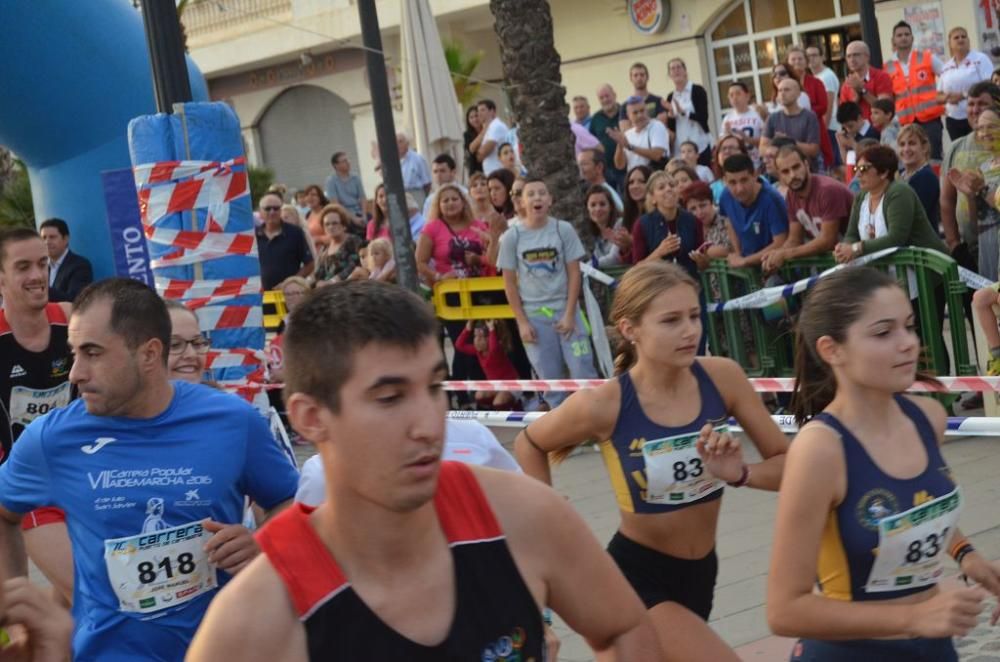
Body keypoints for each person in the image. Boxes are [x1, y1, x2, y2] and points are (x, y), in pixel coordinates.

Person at [186, 281, 664, 662]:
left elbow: (624, 627)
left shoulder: (522, 516)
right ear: (311, 418)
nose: (427, 424)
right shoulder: (257, 617)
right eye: (390, 397)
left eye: (434, 387)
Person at [0, 278, 299, 661]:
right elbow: (5, 512)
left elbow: (290, 502)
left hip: (224, 648)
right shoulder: (53, 439)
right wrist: (13, 608)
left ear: (148, 354)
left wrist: (264, 544)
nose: (75, 373)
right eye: (74, 353)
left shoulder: (232, 421)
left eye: (92, 353)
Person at [514, 260, 786, 658]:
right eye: (671, 320)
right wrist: (545, 511)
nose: (690, 330)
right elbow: (529, 442)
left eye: (694, 316)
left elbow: (788, 464)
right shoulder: (604, 405)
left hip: (700, 573)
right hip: (632, 578)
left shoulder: (722, 378)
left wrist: (742, 473)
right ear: (630, 329)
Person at [768, 267, 1000, 661]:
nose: (908, 343)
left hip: (934, 646)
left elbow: (912, 505)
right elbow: (784, 610)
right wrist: (913, 618)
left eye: (908, 327)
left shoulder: (928, 418)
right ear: (831, 350)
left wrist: (966, 554)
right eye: (883, 333)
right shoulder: (821, 449)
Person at [0, 228, 76, 603]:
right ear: (1, 277)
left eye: (43, 264)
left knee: (73, 608)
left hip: (81, 478)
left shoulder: (72, 321)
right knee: (87, 593)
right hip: (23, 488)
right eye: (23, 266)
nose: (36, 275)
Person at [498, 177, 598, 408]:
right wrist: (522, 322)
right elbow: (509, 283)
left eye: (542, 193)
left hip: (566, 309)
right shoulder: (512, 237)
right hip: (534, 315)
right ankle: (561, 430)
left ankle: (593, 420)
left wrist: (570, 313)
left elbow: (574, 273)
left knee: (582, 367)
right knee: (549, 378)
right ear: (521, 203)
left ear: (550, 199)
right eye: (530, 194)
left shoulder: (563, 230)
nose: (537, 198)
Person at [836, 145, 948, 263]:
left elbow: (895, 239)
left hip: (927, 268)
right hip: (890, 272)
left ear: (884, 172)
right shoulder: (861, 197)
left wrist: (856, 248)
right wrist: (844, 248)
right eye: (856, 169)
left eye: (864, 168)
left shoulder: (899, 192)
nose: (858, 174)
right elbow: (851, 234)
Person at [762, 145, 853, 272]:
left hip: (855, 257)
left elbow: (828, 240)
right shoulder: (791, 195)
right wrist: (775, 254)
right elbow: (794, 239)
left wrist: (786, 254)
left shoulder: (827, 190)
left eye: (796, 167)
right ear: (779, 176)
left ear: (806, 165)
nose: (792, 175)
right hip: (834, 262)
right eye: (785, 171)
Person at [940, 82, 1000, 266]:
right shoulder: (957, 148)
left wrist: (981, 189)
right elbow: (947, 200)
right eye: (970, 104)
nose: (975, 110)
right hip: (976, 247)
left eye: (981, 104)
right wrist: (954, 243)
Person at [887, 20, 945, 161]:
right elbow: (889, 97)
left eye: (907, 34)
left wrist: (943, 98)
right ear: (893, 40)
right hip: (905, 122)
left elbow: (947, 76)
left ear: (912, 38)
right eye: (899, 35)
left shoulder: (927, 57)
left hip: (930, 120)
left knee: (933, 158)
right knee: (911, 160)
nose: (903, 37)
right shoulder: (888, 67)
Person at [719, 153, 789, 268]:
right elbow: (729, 222)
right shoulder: (725, 196)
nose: (739, 189)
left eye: (744, 180)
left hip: (774, 267)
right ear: (725, 181)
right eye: (732, 182)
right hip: (747, 267)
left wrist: (745, 261)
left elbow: (781, 241)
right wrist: (738, 253)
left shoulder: (772, 199)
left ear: (755, 175)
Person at [632, 172, 700, 279]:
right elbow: (637, 269)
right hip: (658, 287)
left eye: (672, 185)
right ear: (653, 198)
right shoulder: (642, 224)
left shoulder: (692, 220)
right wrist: (659, 252)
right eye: (661, 187)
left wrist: (702, 259)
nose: (668, 189)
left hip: (689, 284)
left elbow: (703, 265)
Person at [939, 27, 994, 141]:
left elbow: (990, 85)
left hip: (978, 115)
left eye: (964, 36)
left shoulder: (980, 59)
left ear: (968, 41)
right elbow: (938, 95)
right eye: (956, 37)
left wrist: (963, 95)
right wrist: (948, 98)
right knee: (962, 154)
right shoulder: (946, 67)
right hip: (954, 120)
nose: (960, 39)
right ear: (950, 43)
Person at [454, 320, 520, 409]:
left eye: (481, 337)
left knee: (498, 402)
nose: (477, 340)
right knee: (479, 395)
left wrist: (492, 330)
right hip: (495, 386)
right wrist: (467, 329)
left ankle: (516, 405)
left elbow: (493, 348)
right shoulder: (478, 351)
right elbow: (459, 345)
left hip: (511, 385)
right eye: (475, 336)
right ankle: (493, 412)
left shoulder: (496, 350)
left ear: (489, 339)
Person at [255, 192, 314, 291]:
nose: (272, 212)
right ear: (260, 212)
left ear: (281, 211)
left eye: (276, 208)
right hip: (260, 296)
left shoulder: (295, 233)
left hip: (288, 295)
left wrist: (290, 283)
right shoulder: (253, 236)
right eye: (268, 209)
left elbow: (310, 265)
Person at [787, 45, 833, 169]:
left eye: (800, 59)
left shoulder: (816, 83)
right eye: (793, 59)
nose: (797, 62)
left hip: (814, 128)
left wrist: (801, 112)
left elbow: (823, 107)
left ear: (806, 62)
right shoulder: (784, 85)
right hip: (791, 130)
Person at [762, 78, 821, 172]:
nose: (782, 93)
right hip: (779, 171)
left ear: (798, 94)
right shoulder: (772, 118)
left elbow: (813, 150)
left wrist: (787, 141)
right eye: (780, 90)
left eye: (787, 90)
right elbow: (762, 149)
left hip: (805, 170)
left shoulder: (809, 117)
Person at [666, 58, 713, 165]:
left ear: (685, 71)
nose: (676, 70)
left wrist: (684, 113)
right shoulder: (670, 97)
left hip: (700, 144)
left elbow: (703, 117)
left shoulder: (697, 90)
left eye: (679, 67)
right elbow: (672, 127)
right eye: (672, 69)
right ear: (670, 75)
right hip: (681, 147)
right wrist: (671, 117)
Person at [682, 180, 732, 274]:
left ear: (711, 202)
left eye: (703, 205)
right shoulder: (688, 228)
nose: (699, 212)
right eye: (693, 209)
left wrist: (706, 252)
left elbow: (730, 249)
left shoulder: (725, 220)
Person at [897, 124, 941, 232]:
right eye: (902, 144)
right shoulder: (900, 175)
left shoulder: (926, 177)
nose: (906, 149)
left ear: (924, 147)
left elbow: (910, 218)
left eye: (912, 143)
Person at [610, 95, 670, 172]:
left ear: (647, 111)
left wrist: (630, 147)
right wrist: (620, 145)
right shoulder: (627, 134)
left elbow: (657, 155)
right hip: (635, 181)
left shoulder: (657, 126)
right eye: (635, 113)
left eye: (642, 111)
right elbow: (620, 166)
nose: (640, 115)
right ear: (628, 116)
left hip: (655, 179)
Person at [39, 218, 92, 303]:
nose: (47, 242)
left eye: (52, 237)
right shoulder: (40, 266)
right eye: (44, 238)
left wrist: (41, 288)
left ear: (66, 239)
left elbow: (76, 300)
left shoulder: (80, 265)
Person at [839, 41, 894, 121]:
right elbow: (845, 116)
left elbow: (885, 108)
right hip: (858, 132)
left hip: (881, 130)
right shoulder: (847, 84)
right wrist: (856, 98)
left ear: (867, 57)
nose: (852, 59)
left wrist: (863, 91)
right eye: (848, 56)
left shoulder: (882, 76)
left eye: (856, 55)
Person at [807, 44, 843, 167]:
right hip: (827, 127)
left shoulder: (826, 76)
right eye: (808, 56)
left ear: (822, 57)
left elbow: (828, 105)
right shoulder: (816, 77)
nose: (811, 59)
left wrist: (823, 130)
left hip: (830, 127)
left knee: (835, 165)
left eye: (814, 55)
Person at [313, 203, 363, 285]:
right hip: (326, 291)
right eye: (327, 224)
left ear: (344, 225)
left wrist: (331, 282)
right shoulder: (324, 249)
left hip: (349, 288)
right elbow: (317, 274)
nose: (330, 227)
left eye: (334, 223)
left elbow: (353, 266)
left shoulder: (353, 240)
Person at [591, 83, 627, 191]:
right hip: (605, 170)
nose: (605, 100)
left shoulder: (625, 113)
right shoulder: (596, 118)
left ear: (614, 95)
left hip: (625, 168)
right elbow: (592, 143)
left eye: (607, 96)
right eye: (601, 97)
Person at [586, 184, 632, 267]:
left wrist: (586, 266)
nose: (597, 209)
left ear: (611, 207)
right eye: (593, 205)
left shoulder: (620, 224)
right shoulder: (594, 234)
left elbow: (614, 258)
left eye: (602, 204)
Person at [720, 81, 764, 159]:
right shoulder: (727, 118)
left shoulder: (757, 114)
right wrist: (727, 135)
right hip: (738, 162)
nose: (734, 98)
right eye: (731, 95)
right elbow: (721, 143)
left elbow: (766, 140)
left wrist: (746, 138)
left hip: (756, 161)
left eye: (738, 94)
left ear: (747, 96)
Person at [618, 62, 668, 130]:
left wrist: (635, 124)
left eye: (642, 75)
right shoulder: (625, 106)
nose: (639, 78)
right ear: (631, 78)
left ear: (647, 77)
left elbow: (662, 124)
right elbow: (625, 130)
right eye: (635, 75)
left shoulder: (658, 100)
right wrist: (653, 121)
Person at [323, 152, 367, 227]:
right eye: (344, 161)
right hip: (343, 215)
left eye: (348, 160)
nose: (348, 163)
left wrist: (364, 215)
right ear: (336, 165)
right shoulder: (331, 181)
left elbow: (363, 198)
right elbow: (336, 205)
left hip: (359, 211)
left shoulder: (355, 177)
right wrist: (353, 218)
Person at [471, 98, 510, 175]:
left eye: (482, 110)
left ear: (492, 111)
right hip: (493, 172)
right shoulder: (489, 128)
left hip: (499, 171)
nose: (479, 114)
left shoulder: (496, 126)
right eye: (478, 111)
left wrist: (478, 153)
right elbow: (472, 148)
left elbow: (482, 153)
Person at [835, 101, 881, 166]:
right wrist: (841, 145)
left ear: (859, 118)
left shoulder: (872, 133)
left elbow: (868, 159)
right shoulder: (850, 135)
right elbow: (846, 163)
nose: (848, 130)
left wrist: (853, 144)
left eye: (850, 126)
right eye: (844, 127)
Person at [422, 153, 467, 219]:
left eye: (442, 171)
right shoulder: (430, 200)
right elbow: (426, 223)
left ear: (453, 172)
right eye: (435, 172)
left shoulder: (465, 194)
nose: (438, 175)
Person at [579, 147, 624, 212]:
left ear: (599, 167)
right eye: (579, 165)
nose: (580, 169)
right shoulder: (587, 191)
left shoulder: (608, 194)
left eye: (584, 164)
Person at [395, 132, 432, 207]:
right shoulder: (392, 162)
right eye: (395, 142)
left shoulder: (418, 159)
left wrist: (421, 197)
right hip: (399, 197)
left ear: (407, 143)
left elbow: (427, 183)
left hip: (416, 195)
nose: (398, 145)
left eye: (400, 141)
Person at [709, 134, 749, 202]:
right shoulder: (712, 189)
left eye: (732, 148)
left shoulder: (757, 181)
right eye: (723, 149)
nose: (727, 152)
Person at [623, 164, 653, 233]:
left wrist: (631, 242)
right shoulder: (627, 216)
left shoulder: (659, 216)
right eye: (631, 182)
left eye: (641, 181)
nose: (635, 186)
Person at [301, 184, 330, 251]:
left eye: (313, 195)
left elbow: (334, 237)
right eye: (307, 195)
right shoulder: (308, 215)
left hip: (325, 254)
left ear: (320, 197)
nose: (309, 197)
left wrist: (317, 239)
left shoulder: (327, 213)